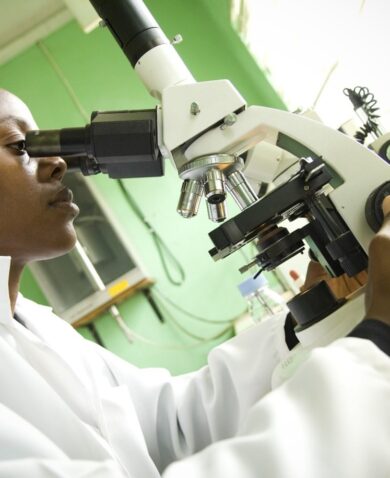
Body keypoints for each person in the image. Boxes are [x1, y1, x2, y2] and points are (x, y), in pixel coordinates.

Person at [0, 88, 388, 478]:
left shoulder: (37, 328)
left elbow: (174, 427)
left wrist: (307, 319)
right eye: (19, 145)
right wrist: (375, 345)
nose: (56, 162)